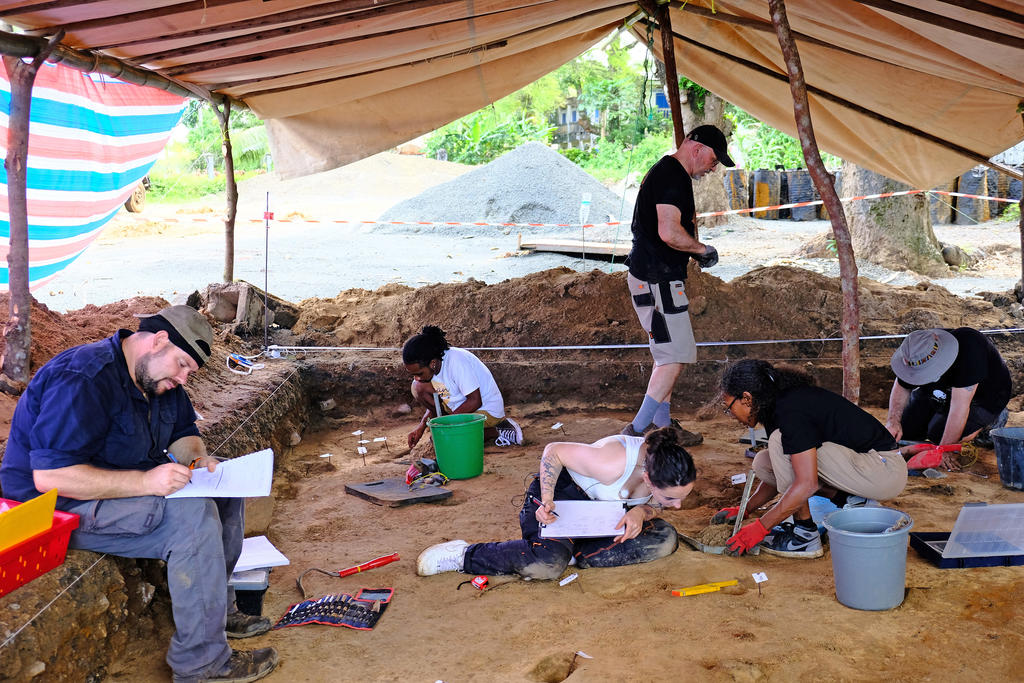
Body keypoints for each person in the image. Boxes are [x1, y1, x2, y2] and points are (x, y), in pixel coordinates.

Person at [0, 306, 278, 683]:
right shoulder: (83, 378)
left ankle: (218, 613)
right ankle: (202, 665)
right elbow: (51, 477)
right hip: (56, 507)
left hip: (118, 488)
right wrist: (146, 484)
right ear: (159, 341)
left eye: (190, 372)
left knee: (223, 487)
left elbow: (183, 433)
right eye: (182, 365)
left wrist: (198, 460)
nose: (183, 378)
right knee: (191, 521)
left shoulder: (156, 377)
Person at [416, 427, 695, 580]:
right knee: (545, 565)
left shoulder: (669, 465)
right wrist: (547, 498)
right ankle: (463, 555)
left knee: (664, 537)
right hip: (564, 496)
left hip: (601, 513)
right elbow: (554, 451)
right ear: (647, 478)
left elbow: (654, 506)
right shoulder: (612, 462)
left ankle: (571, 553)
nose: (677, 506)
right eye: (671, 498)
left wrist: (641, 512)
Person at [718, 359, 907, 559]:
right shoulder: (775, 405)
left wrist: (760, 527)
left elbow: (806, 484)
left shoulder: (790, 410)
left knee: (781, 444)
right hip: (866, 468)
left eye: (729, 408)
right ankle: (854, 500)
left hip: (884, 470)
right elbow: (783, 470)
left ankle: (804, 536)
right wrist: (745, 509)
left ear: (746, 398)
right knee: (764, 462)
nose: (731, 415)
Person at [622, 124, 735, 445]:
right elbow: (669, 232)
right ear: (697, 148)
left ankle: (663, 426)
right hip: (658, 281)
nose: (713, 168)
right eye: (714, 160)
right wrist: (702, 250)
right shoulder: (672, 176)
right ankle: (638, 429)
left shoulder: (666, 172)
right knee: (675, 356)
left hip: (650, 277)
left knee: (667, 355)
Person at [886, 327, 1011, 468]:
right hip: (941, 391)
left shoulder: (971, 351)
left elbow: (960, 407)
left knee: (938, 436)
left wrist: (944, 450)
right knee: (905, 432)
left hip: (983, 397)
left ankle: (992, 422)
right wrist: (893, 421)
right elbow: (902, 385)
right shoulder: (915, 351)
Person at [403, 325, 523, 449]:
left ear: (432, 363)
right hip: (459, 406)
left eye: (419, 373)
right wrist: (421, 427)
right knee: (418, 387)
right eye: (413, 374)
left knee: (449, 439)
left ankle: (499, 431)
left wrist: (447, 426)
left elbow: (475, 401)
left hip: (486, 410)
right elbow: (443, 396)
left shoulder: (456, 361)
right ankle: (451, 429)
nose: (416, 378)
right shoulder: (434, 366)